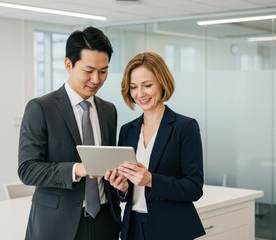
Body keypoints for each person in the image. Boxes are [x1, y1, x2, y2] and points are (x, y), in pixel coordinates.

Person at [18, 26, 121, 240]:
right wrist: (78, 169)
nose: (96, 79)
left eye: (103, 71)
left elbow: (109, 168)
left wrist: (120, 185)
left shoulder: (108, 110)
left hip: (104, 222)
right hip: (56, 225)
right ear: (68, 64)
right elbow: (27, 169)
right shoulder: (40, 108)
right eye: (88, 70)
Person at [104, 52, 206, 240]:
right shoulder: (127, 130)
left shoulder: (185, 127)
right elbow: (124, 192)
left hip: (171, 229)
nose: (140, 94)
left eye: (148, 85)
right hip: (132, 227)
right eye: (134, 87)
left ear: (162, 83)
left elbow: (194, 187)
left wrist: (151, 180)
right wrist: (122, 188)